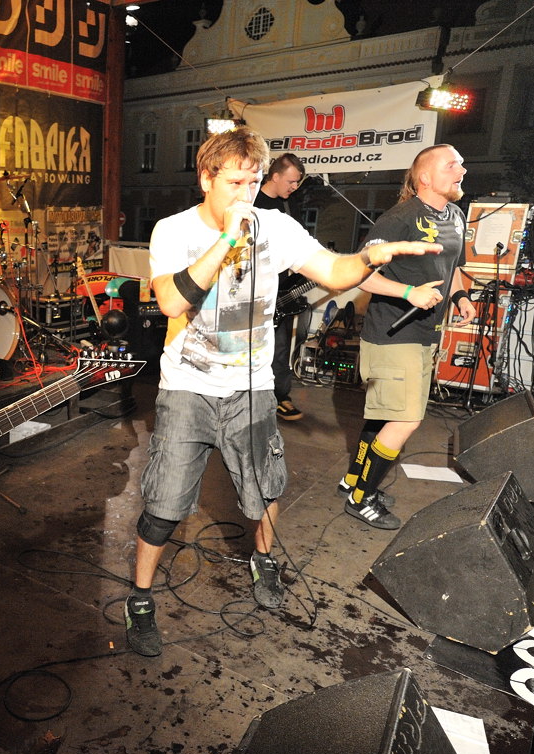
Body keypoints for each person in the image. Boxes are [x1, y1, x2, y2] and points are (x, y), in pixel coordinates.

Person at [124, 127, 444, 657]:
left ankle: (264, 560)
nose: (245, 194)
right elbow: (171, 303)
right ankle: (140, 598)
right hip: (187, 388)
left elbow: (334, 271)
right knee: (163, 504)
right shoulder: (173, 230)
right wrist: (227, 240)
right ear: (206, 179)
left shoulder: (275, 226)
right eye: (234, 182)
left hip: (251, 390)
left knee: (265, 491)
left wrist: (371, 257)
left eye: (253, 183)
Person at [338, 144, 476, 530]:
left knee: (385, 413)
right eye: (452, 164)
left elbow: (453, 268)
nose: (462, 170)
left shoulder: (455, 216)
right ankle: (362, 498)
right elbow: (360, 273)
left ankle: (354, 480)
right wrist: (408, 293)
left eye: (461, 163)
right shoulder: (400, 218)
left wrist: (460, 297)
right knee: (406, 420)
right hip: (393, 333)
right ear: (425, 177)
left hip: (425, 333)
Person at [253, 152, 309, 422]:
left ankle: (280, 397)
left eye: (297, 182)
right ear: (274, 176)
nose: (294, 187)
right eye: (291, 181)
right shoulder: (253, 202)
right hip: (255, 288)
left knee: (281, 346)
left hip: (282, 289)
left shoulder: (289, 205)